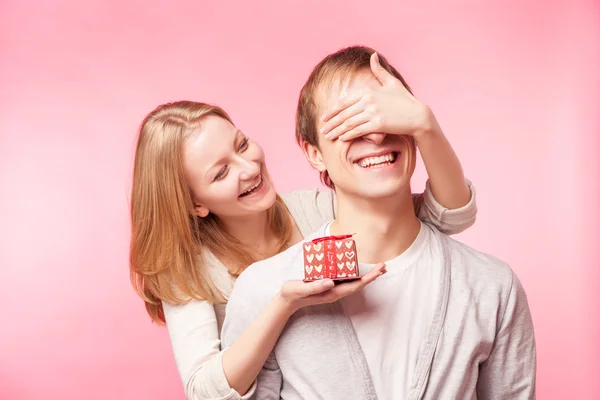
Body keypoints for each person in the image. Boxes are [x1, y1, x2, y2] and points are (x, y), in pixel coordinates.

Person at [129, 58, 477, 399]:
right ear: (195, 204)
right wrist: (283, 304)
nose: (248, 168)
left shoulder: (317, 209)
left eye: (242, 145)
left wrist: (425, 127)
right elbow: (205, 392)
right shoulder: (187, 270)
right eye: (220, 173)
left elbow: (449, 216)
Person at [221, 46, 536, 399]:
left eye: (387, 116)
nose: (374, 135)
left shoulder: (491, 285)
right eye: (348, 123)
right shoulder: (265, 290)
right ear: (314, 153)